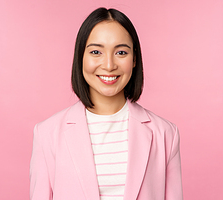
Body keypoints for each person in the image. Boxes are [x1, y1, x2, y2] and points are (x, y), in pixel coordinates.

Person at [30, 7, 183, 200]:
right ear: (81, 58)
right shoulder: (47, 134)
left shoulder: (166, 134)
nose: (109, 65)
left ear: (134, 59)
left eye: (120, 52)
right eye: (96, 51)